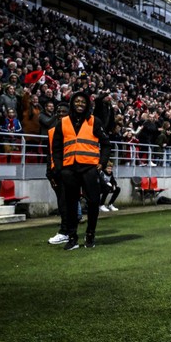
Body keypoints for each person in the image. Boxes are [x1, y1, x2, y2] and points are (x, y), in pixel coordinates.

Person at [50, 92, 112, 250]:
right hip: (69, 169)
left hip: (90, 168)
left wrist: (102, 163)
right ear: (72, 103)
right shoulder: (62, 123)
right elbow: (56, 148)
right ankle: (72, 237)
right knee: (70, 204)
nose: (79, 104)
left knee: (93, 202)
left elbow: (106, 143)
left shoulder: (94, 121)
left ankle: (90, 234)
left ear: (87, 104)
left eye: (83, 102)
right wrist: (58, 168)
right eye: (76, 101)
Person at [46, 102, 72, 245]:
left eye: (64, 112)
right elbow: (48, 154)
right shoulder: (51, 131)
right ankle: (66, 231)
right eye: (58, 111)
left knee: (67, 203)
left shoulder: (73, 131)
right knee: (63, 203)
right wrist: (49, 172)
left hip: (70, 171)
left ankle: (66, 231)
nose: (60, 114)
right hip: (56, 172)